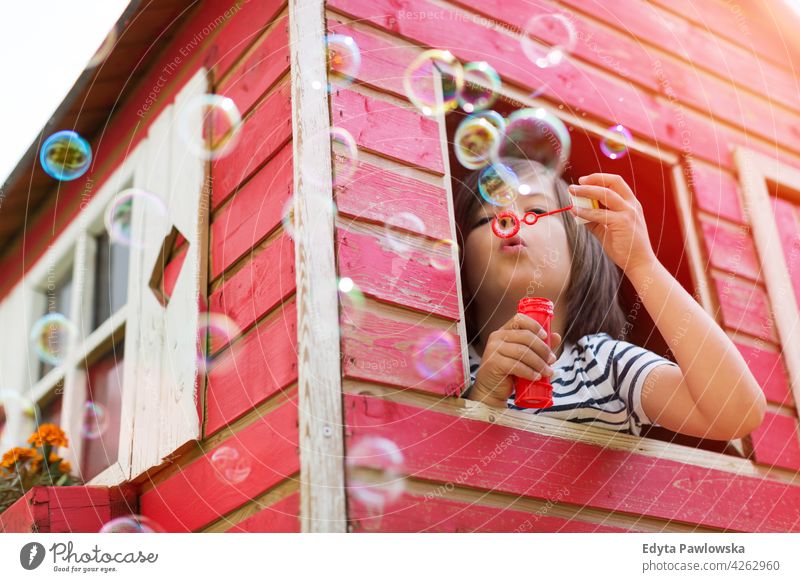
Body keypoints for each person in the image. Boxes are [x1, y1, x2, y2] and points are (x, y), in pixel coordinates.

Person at [453, 157, 766, 438]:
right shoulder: (455, 368)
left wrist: (641, 264)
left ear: (580, 251)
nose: (508, 218)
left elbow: (735, 413)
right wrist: (485, 396)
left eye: (535, 210)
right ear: (460, 258)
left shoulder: (605, 366)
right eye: (486, 218)